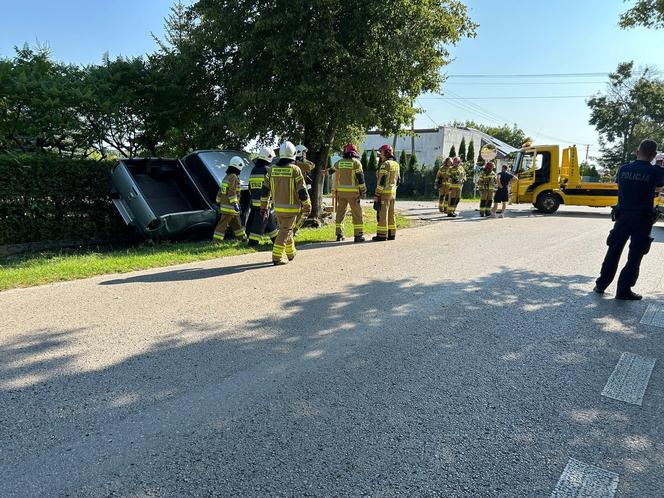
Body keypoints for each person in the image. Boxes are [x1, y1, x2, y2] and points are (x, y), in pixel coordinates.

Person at [594, 139, 663, 300]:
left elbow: (621, 185)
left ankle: (601, 285)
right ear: (653, 155)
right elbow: (659, 185)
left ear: (637, 152)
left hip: (622, 217)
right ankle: (624, 289)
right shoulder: (656, 172)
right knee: (635, 255)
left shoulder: (623, 169)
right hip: (643, 219)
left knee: (613, 251)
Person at [261, 141, 312, 265]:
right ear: (293, 154)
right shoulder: (295, 170)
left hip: (277, 209)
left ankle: (291, 253)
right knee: (285, 231)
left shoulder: (271, 170)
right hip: (292, 209)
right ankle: (277, 257)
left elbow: (265, 191)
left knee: (286, 230)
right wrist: (307, 205)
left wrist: (264, 207)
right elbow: (302, 191)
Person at [327, 143, 367, 242]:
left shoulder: (340, 162)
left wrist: (323, 172)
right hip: (353, 193)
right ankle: (358, 235)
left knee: (340, 213)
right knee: (357, 214)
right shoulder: (356, 163)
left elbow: (330, 171)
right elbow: (360, 179)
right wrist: (363, 191)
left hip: (341, 193)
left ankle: (339, 235)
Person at [246, 147, 278, 246]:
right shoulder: (267, 170)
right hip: (264, 201)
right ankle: (253, 242)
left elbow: (250, 187)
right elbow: (272, 186)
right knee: (260, 222)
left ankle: (276, 239)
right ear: (268, 157)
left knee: (269, 220)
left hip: (255, 201)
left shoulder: (254, 170)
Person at [213, 156, 248, 242]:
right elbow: (232, 191)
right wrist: (235, 203)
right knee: (222, 225)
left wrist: (218, 201)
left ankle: (243, 239)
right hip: (230, 207)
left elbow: (221, 191)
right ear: (237, 167)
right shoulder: (234, 177)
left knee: (237, 224)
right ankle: (216, 241)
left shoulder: (226, 177)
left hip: (226, 207)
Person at [373, 144, 400, 241]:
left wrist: (377, 193)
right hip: (393, 193)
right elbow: (399, 180)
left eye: (381, 153)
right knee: (391, 213)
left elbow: (382, 181)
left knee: (383, 213)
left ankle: (382, 235)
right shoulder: (396, 164)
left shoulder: (385, 165)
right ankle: (391, 234)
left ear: (386, 153)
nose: (380, 155)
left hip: (384, 193)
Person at [294, 144, 315, 234]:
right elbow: (312, 165)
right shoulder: (302, 164)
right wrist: (302, 160)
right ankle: (295, 229)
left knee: (297, 211)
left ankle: (293, 229)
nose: (305, 154)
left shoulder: (293, 163)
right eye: (304, 152)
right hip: (301, 191)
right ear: (299, 153)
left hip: (295, 190)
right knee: (306, 210)